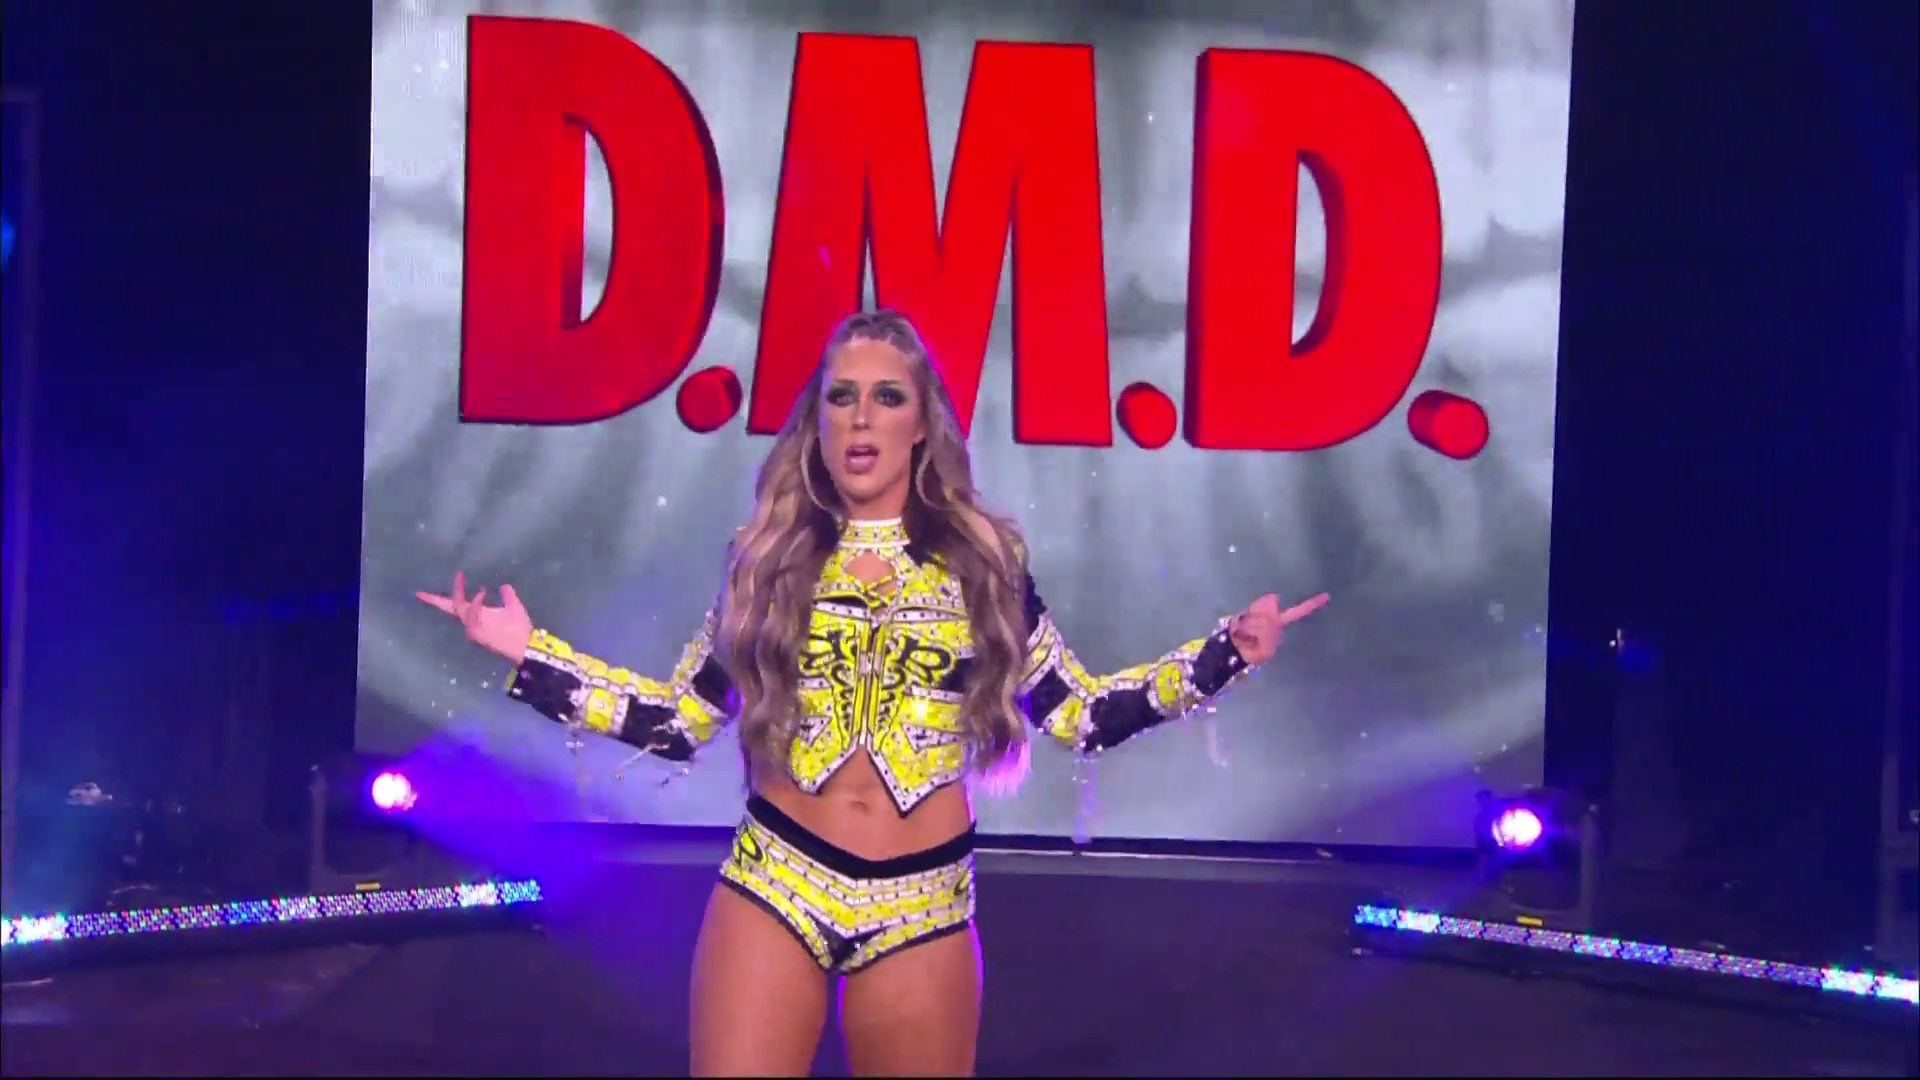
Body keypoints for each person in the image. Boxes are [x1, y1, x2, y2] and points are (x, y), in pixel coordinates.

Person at [418, 309, 1328, 1077]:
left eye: (887, 397)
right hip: (778, 884)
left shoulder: (983, 566)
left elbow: (1081, 715)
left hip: (922, 906)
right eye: (841, 396)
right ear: (817, 423)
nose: (861, 418)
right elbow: (679, 720)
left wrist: (1225, 655)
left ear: (922, 423)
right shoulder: (767, 562)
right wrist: (529, 654)